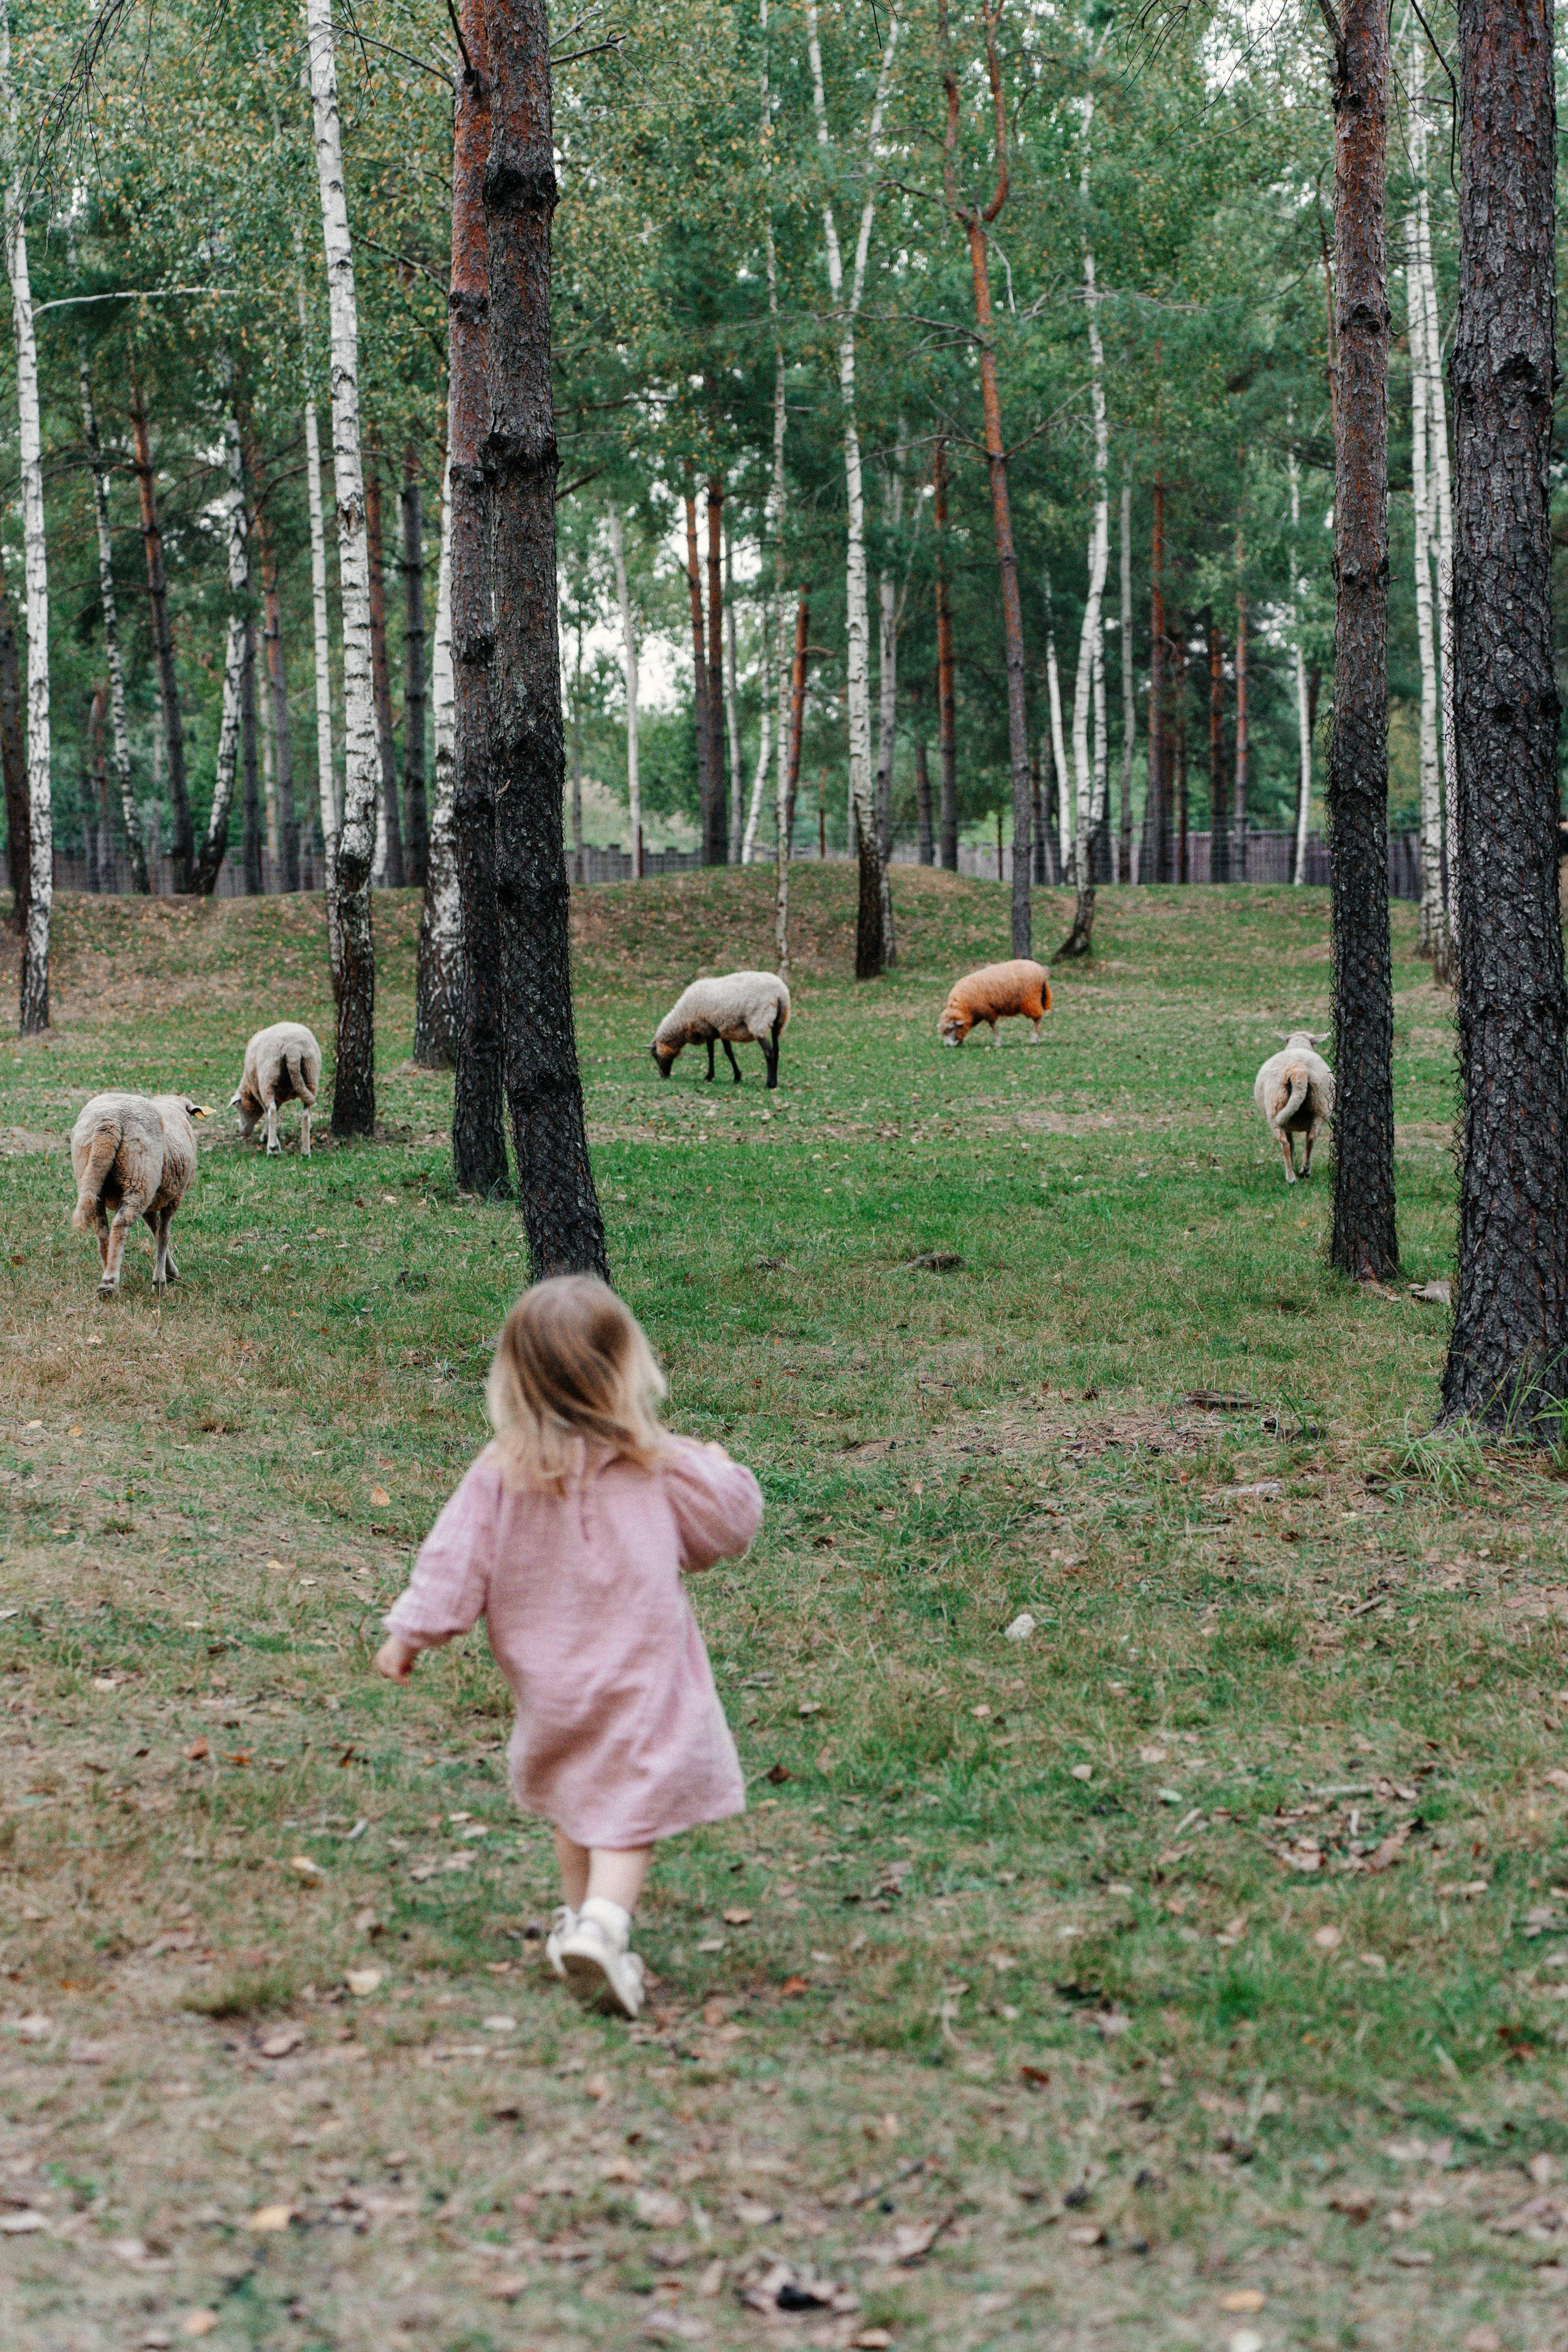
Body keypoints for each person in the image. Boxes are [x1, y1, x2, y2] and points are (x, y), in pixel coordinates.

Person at [374, 1275, 761, 2019]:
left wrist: (408, 1634)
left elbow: (452, 1563)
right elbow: (730, 1523)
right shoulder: (656, 1462)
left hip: (549, 1682)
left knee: (578, 1801)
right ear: (625, 1370)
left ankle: (578, 1923)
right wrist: (715, 1461)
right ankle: (606, 1927)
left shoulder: (500, 1472)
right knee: (629, 1809)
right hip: (640, 1671)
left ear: (514, 1379)